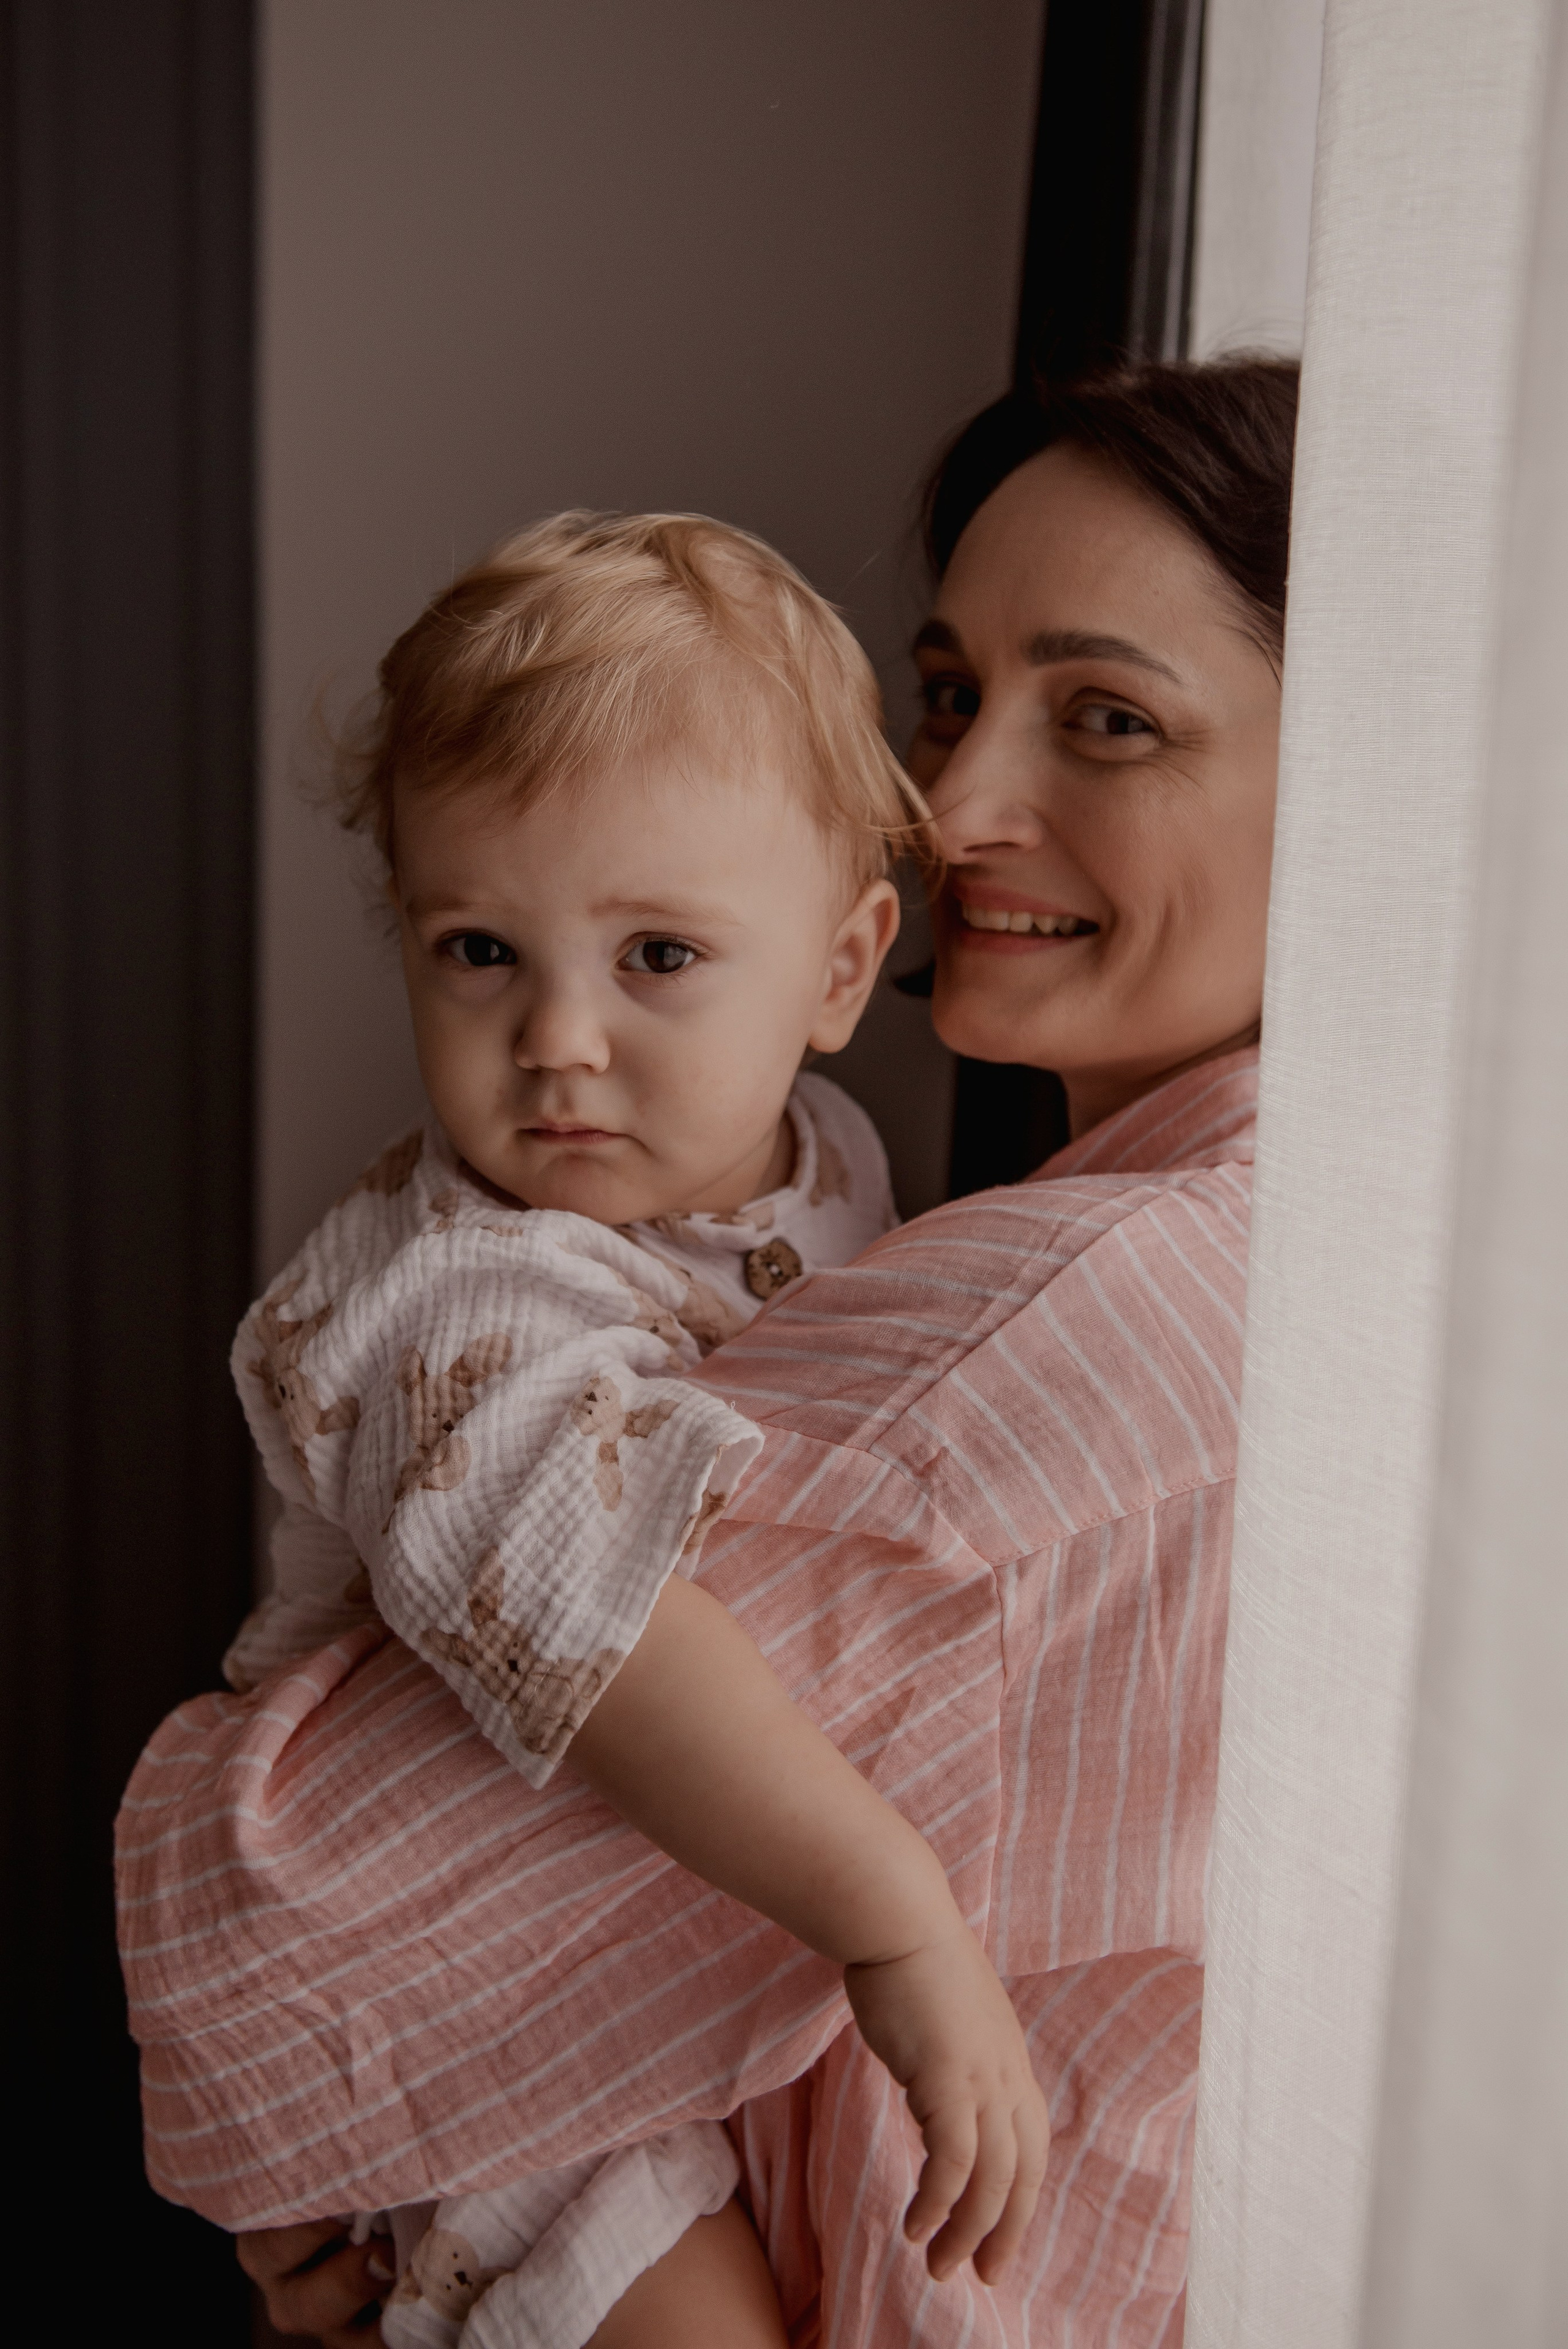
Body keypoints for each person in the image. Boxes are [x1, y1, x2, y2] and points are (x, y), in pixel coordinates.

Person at [118, 355, 1297, 2347]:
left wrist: (326, 2105)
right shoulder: (573, 1248)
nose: (959, 806)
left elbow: (272, 1935)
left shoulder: (1127, 1295)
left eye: (1108, 714)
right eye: (948, 695)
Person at [165, 508, 1050, 2349]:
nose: (557, 1037)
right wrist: (892, 1913)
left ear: (836, 966)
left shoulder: (832, 1177)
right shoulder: (454, 1305)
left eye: (657, 956)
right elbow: (607, 1629)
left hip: (686, 1926)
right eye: (479, 948)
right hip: (471, 1980)